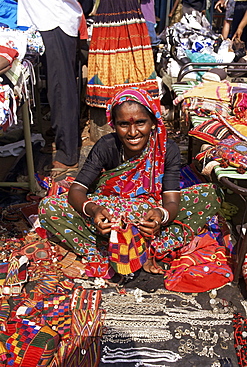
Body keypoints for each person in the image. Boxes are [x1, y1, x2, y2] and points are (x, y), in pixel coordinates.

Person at [39, 88, 222, 279]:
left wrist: (161, 215)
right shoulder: (107, 146)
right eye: (124, 124)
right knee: (47, 207)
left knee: (211, 194)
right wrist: (93, 210)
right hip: (111, 216)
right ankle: (130, 250)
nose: (133, 132)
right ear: (114, 125)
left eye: (140, 123)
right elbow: (77, 189)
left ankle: (130, 249)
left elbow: (171, 199)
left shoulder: (166, 149)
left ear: (153, 121)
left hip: (149, 217)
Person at [17, 0, 83, 178]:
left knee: (61, 89)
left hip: (53, 20)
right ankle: (68, 142)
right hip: (46, 19)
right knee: (61, 87)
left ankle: (67, 154)